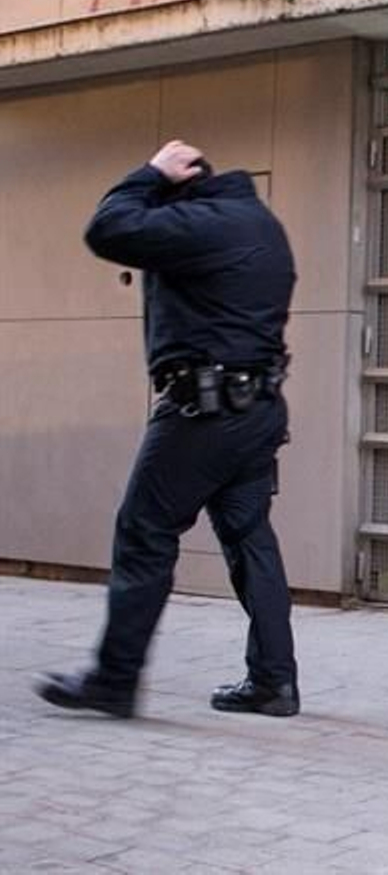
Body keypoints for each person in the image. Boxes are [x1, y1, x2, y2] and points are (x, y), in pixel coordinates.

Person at [36, 140, 298, 719]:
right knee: (250, 538)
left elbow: (108, 229)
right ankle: (274, 681)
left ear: (181, 191)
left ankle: (114, 680)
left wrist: (147, 174)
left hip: (202, 414)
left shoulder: (202, 222)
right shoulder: (263, 225)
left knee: (144, 530)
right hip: (258, 411)